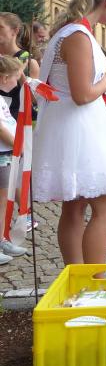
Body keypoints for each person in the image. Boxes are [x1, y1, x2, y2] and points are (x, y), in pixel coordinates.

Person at [32, 0, 106, 265]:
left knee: (75, 208)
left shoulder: (69, 32)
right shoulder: (78, 35)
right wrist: (105, 83)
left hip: (72, 127)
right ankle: (93, 281)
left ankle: (78, 278)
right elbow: (82, 94)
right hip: (81, 129)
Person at [0, 57, 23, 263]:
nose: (17, 83)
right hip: (3, 153)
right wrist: (18, 146)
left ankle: (2, 239)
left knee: (3, 202)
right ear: (5, 78)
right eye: (16, 78)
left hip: (6, 154)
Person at [0, 13, 41, 118]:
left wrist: (20, 76)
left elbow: (35, 100)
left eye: (0, 27)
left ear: (15, 31)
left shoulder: (29, 63)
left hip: (15, 122)